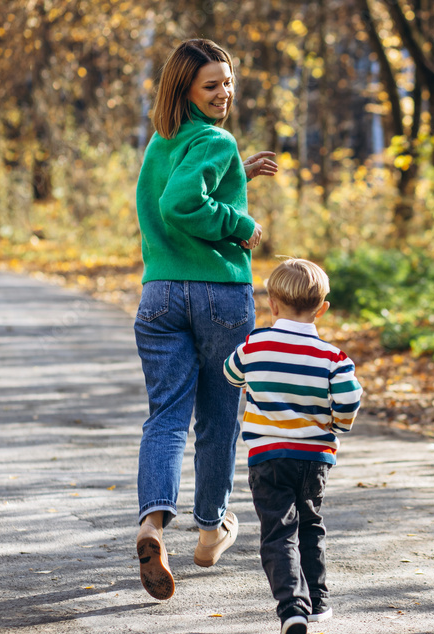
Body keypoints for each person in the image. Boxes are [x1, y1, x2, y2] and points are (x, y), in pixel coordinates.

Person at [133, 38, 279, 601]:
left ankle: (151, 524)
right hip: (218, 293)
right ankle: (211, 527)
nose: (225, 93)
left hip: (161, 294)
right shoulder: (216, 138)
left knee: (166, 417)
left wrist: (235, 172)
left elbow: (178, 183)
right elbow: (181, 204)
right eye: (211, 85)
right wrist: (239, 224)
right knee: (219, 418)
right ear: (186, 90)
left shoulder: (161, 142)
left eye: (228, 81)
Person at [223, 259, 362, 634]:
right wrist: (338, 426)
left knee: (278, 531)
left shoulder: (254, 346)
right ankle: (317, 602)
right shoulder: (333, 357)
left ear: (273, 305)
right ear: (322, 309)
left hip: (268, 456)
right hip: (315, 457)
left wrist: (256, 380)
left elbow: (230, 373)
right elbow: (350, 398)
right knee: (310, 523)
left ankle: (292, 608)